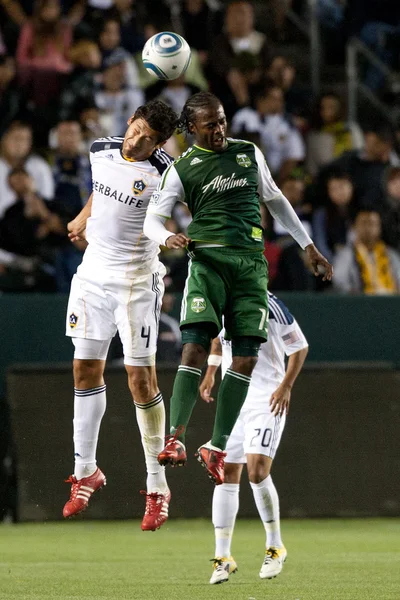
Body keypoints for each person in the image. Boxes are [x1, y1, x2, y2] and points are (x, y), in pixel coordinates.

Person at [143, 91, 332, 485]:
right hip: (208, 263)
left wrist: (308, 245)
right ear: (191, 127)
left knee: (245, 357)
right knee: (195, 345)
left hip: (250, 266)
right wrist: (166, 237)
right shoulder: (182, 168)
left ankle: (216, 445)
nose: (219, 129)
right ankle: (174, 438)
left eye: (222, 120)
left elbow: (275, 199)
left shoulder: (248, 153)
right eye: (210, 123)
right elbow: (152, 221)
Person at [62, 100, 178, 531]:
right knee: (84, 369)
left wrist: (170, 237)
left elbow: (171, 214)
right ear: (130, 120)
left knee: (139, 379)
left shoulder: (166, 173)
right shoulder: (100, 148)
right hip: (92, 273)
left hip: (134, 280)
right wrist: (82, 216)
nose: (139, 141)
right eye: (138, 130)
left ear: (161, 142)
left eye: (150, 139)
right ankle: (86, 470)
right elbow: (100, 188)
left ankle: (157, 486)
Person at [200, 291, 308, 584]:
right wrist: (210, 372)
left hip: (266, 399)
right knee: (225, 473)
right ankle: (223, 558)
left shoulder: (269, 303)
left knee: (257, 470)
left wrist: (286, 386)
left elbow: (299, 346)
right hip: (233, 401)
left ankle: (275, 546)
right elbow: (217, 340)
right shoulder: (222, 301)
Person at [333, 209, 400, 295]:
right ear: (354, 227)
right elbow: (340, 282)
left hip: (390, 303)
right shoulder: (345, 255)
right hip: (360, 303)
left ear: (379, 228)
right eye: (364, 223)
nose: (368, 228)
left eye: (372, 224)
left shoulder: (390, 254)